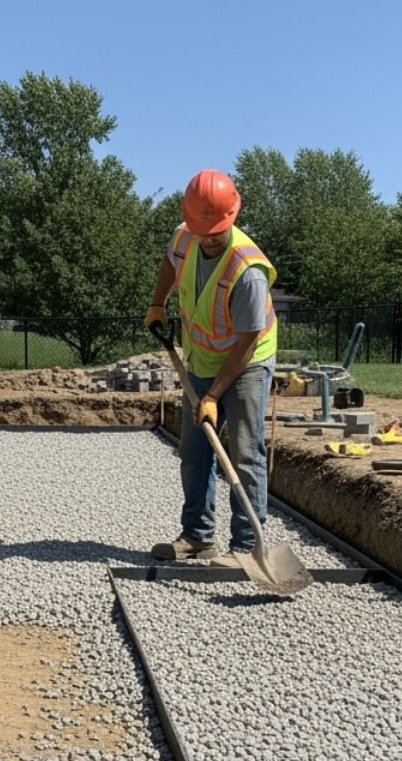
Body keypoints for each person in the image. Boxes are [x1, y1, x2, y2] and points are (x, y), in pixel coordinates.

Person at [144, 170, 278, 567]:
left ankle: (245, 548)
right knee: (194, 449)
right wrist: (158, 302)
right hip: (202, 357)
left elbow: (247, 340)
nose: (210, 236)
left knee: (244, 449)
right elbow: (171, 262)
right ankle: (198, 537)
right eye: (203, 229)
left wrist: (215, 396)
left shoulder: (248, 271)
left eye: (218, 229)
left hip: (247, 360)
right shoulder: (185, 236)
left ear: (232, 215)